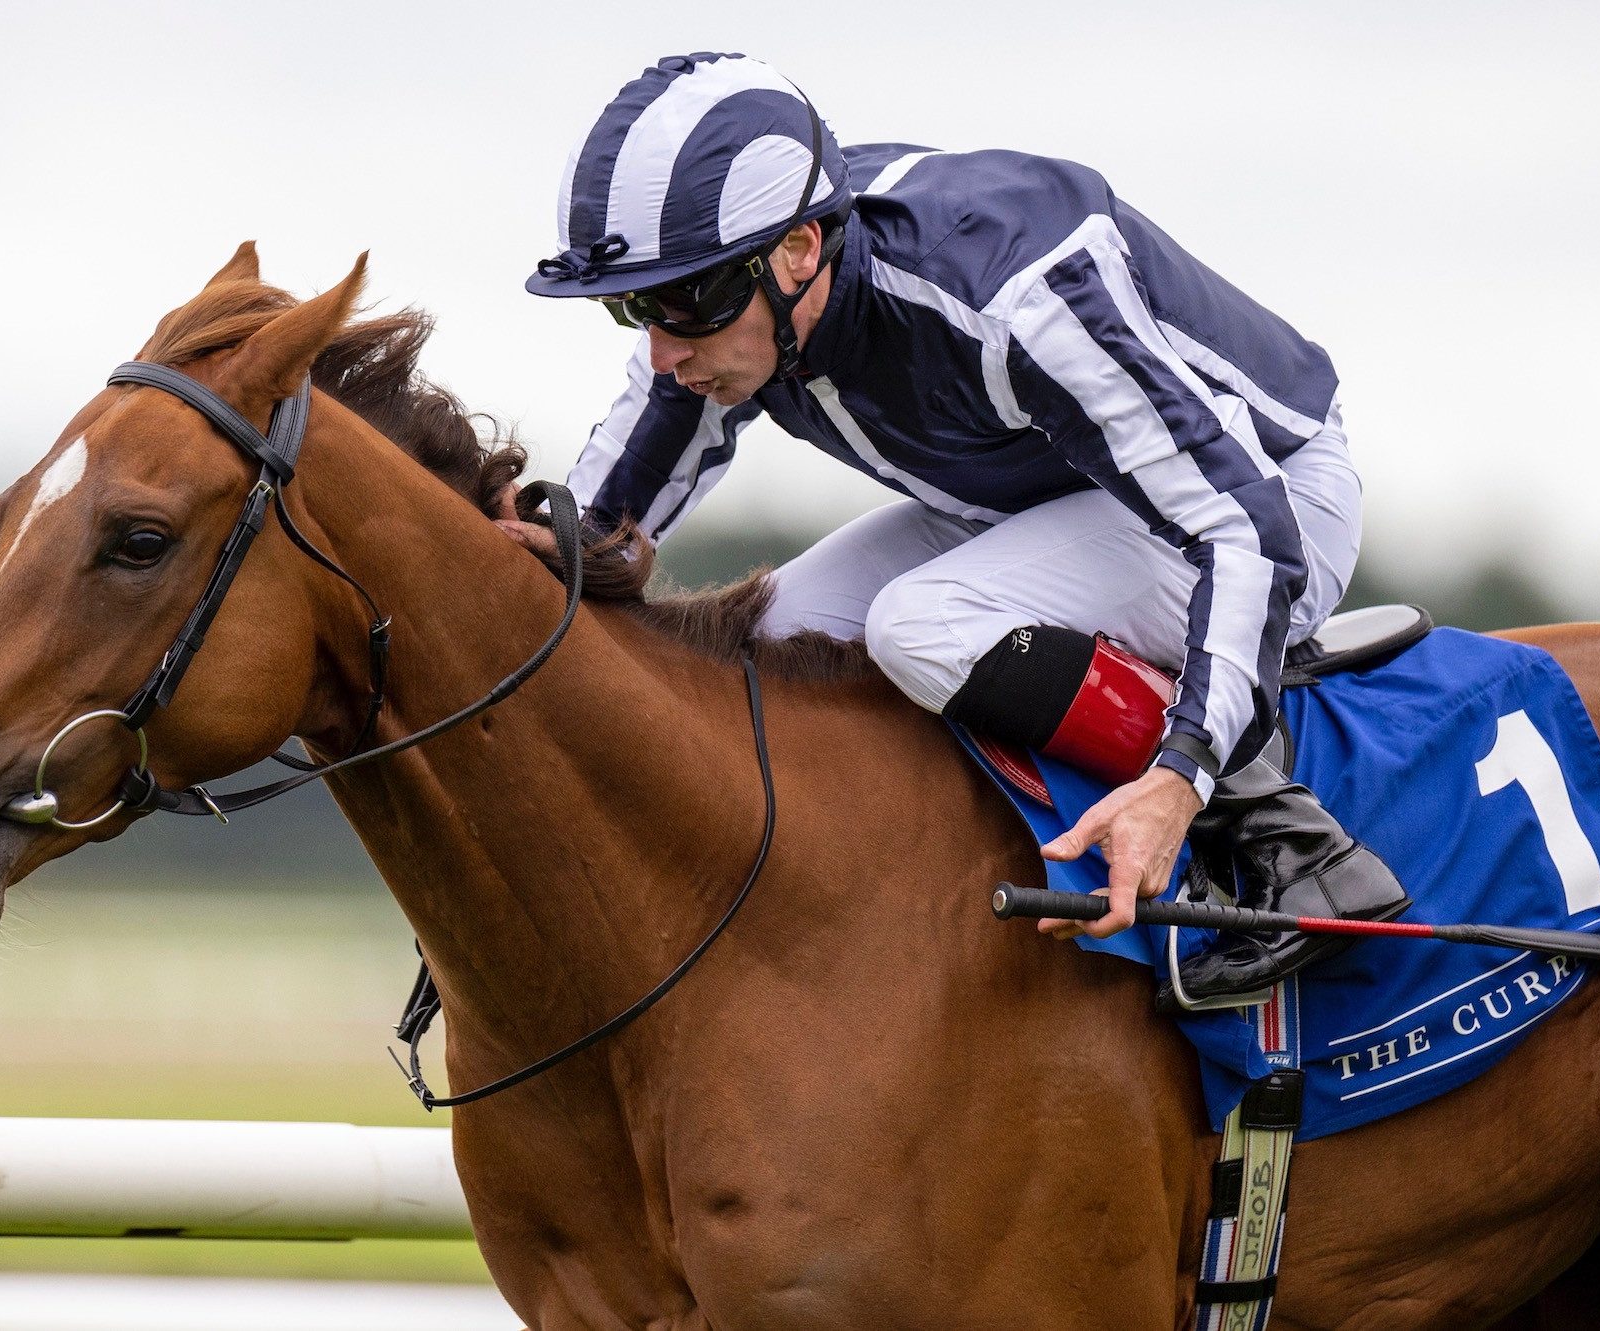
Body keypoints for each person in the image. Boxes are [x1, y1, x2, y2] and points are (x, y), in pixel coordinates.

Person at [506, 52, 1406, 1002]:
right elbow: (602, 523)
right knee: (772, 638)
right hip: (1057, 502)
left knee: (920, 624)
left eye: (684, 301)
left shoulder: (1014, 293)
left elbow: (1245, 529)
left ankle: (1287, 836)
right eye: (632, 308)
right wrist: (542, 556)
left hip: (1273, 501)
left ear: (801, 249)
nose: (663, 350)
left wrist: (1184, 773)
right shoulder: (753, 285)